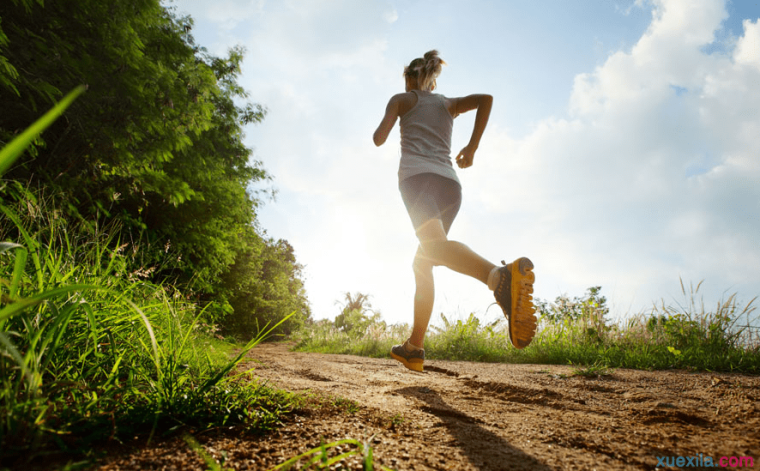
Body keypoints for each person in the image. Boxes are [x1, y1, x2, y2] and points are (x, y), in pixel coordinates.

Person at [373, 50, 536, 372]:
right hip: (450, 185)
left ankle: (498, 277)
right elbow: (485, 99)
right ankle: (414, 347)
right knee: (425, 260)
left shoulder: (401, 99)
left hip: (418, 180)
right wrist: (472, 147)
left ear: (409, 79)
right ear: (433, 81)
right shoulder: (448, 103)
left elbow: (379, 138)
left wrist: (394, 113)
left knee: (432, 249)